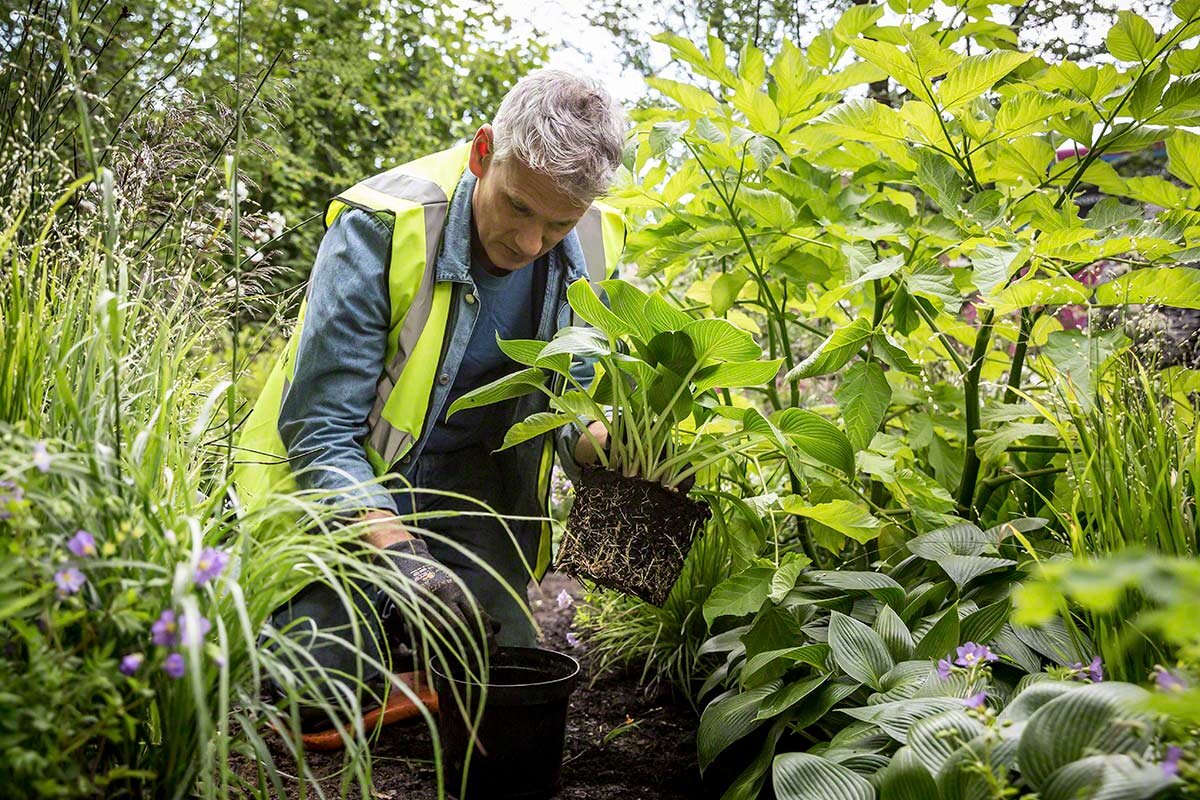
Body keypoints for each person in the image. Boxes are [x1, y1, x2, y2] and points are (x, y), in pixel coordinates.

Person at [233, 69, 627, 724]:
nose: (531, 244)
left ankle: (409, 660)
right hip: (345, 491)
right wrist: (404, 564)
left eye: (557, 223)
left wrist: (605, 446)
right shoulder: (383, 224)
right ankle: (364, 640)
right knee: (316, 705)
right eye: (518, 208)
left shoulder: (590, 244)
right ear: (482, 154)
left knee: (501, 673)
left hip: (471, 493)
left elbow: (567, 409)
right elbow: (320, 432)